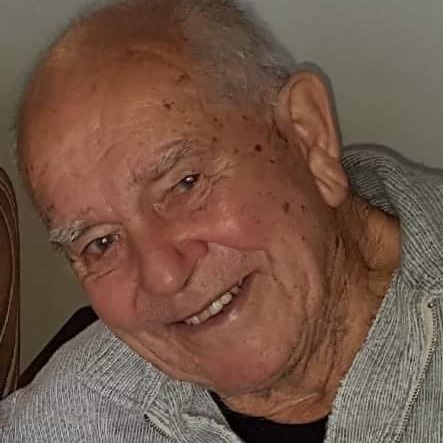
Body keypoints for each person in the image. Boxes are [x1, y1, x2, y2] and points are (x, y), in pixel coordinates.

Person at [1, 0, 442, 441]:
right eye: (100, 243)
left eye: (184, 184)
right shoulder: (66, 418)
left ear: (308, 134)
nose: (164, 276)